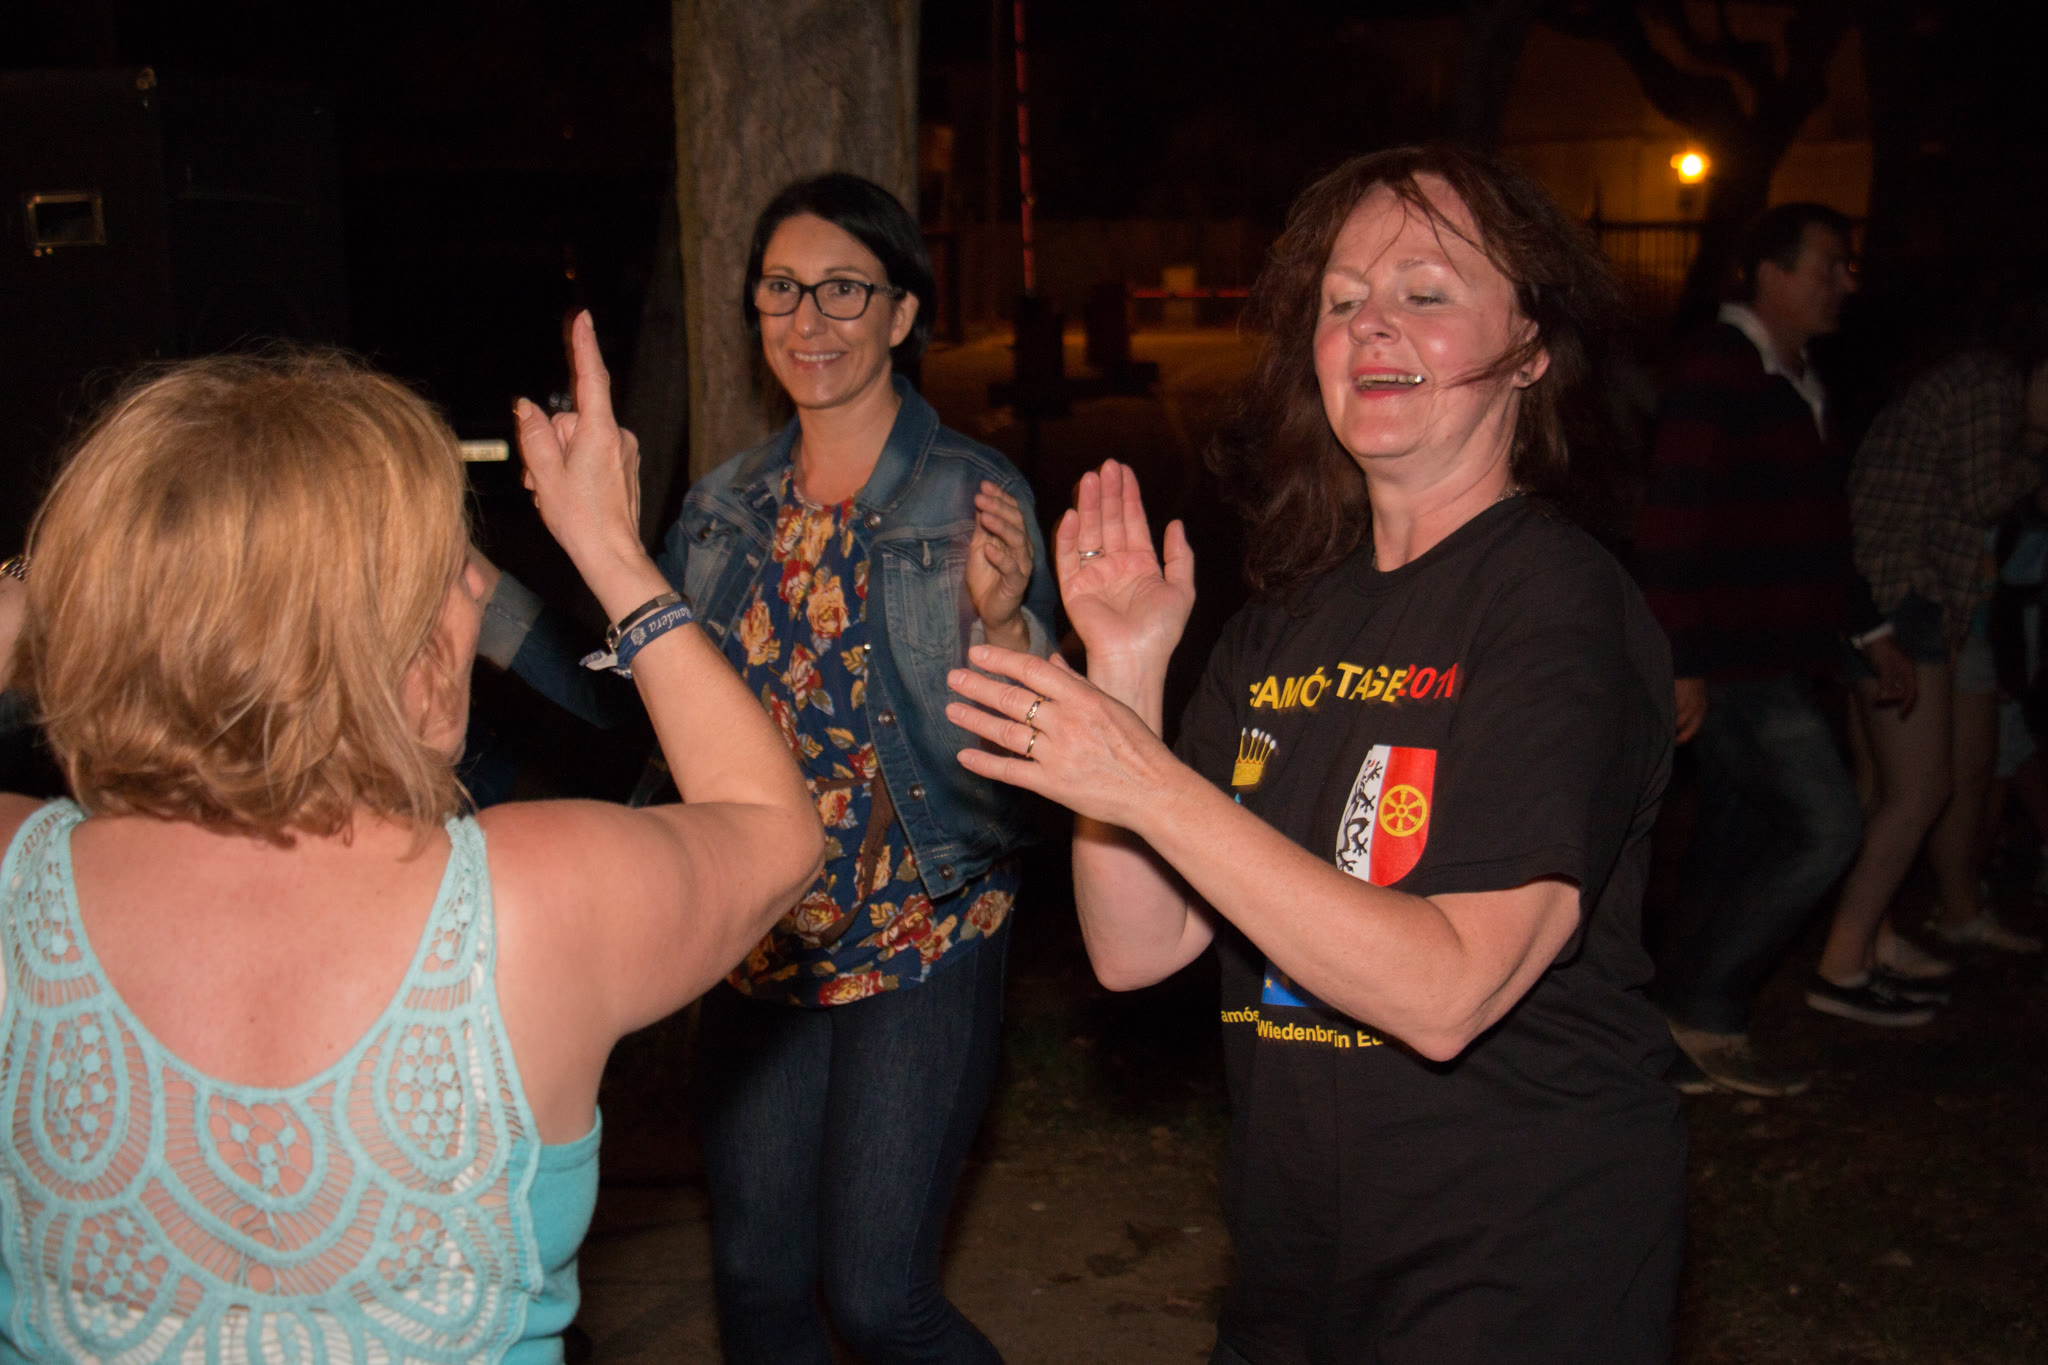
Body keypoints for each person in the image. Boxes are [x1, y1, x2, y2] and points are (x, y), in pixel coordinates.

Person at [947, 146, 1683, 1364]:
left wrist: (1140, 777)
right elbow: (1138, 948)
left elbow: (1448, 992)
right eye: (1341, 301)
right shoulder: (1284, 623)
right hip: (1295, 1264)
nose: (1369, 325)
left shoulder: (1557, 608)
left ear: (1530, 347)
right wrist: (1125, 669)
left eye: (1424, 291)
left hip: (1512, 1265)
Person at [0, 326, 823, 1362]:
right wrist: (612, 553)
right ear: (374, 640)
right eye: (445, 570)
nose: (479, 594)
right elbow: (774, 828)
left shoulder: (16, 884)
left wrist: (59, 606)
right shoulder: (532, 903)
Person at [480, 173, 1054, 1362]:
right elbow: (644, 710)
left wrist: (1006, 627)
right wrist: (483, 599)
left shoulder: (971, 494)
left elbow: (1050, 735)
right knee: (754, 1278)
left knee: (879, 1298)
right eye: (782, 290)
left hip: (919, 934)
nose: (808, 319)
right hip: (759, 937)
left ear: (901, 313)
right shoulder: (720, 510)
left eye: (844, 290)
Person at [1635, 203, 1924, 1087]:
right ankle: (1707, 1008)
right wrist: (1681, 659)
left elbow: (1817, 532)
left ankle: (1676, 1020)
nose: (1846, 282)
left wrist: (1871, 630)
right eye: (1829, 264)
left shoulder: (1797, 380)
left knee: (1734, 838)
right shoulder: (1718, 369)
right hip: (1732, 659)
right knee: (1825, 826)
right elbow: (1672, 520)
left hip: (1780, 655)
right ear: (1771, 271)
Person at [1819, 339, 2048, 994]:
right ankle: (1842, 964)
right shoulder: (1988, 386)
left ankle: (1873, 940)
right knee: (1918, 791)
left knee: (1888, 790)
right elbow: (1983, 496)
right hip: (1898, 589)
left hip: (1886, 590)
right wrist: (2036, 443)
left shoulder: (1966, 384)